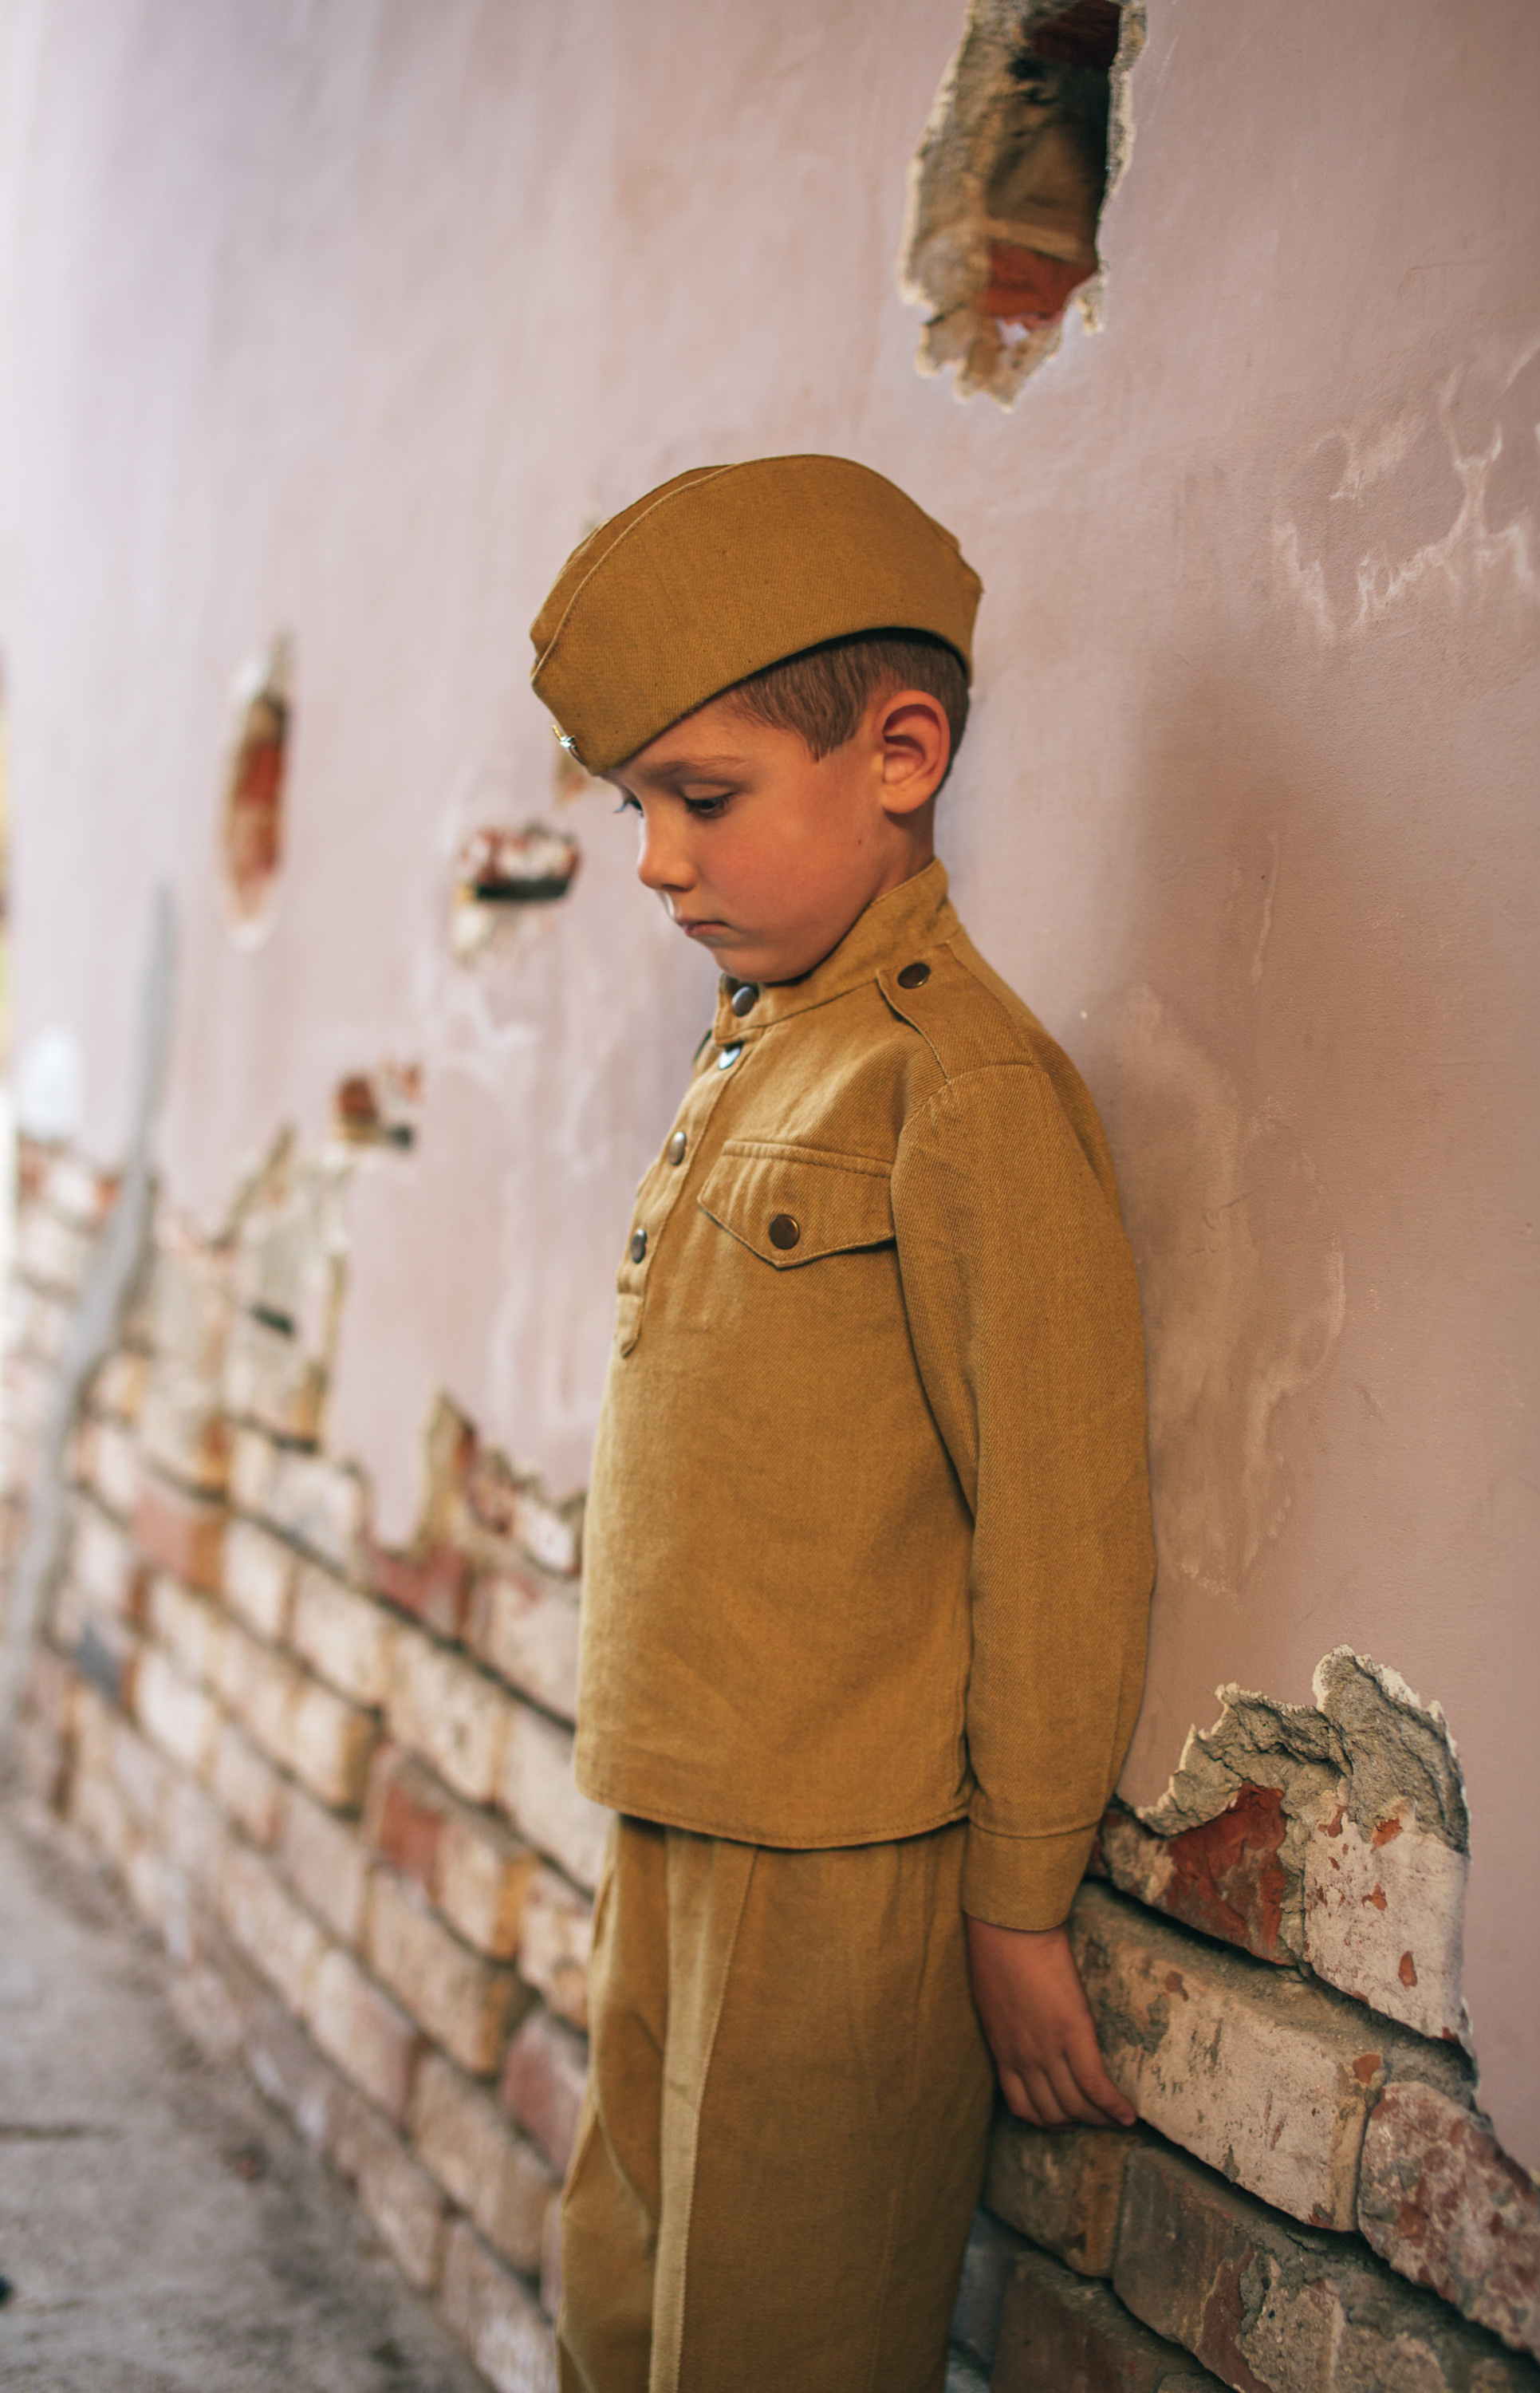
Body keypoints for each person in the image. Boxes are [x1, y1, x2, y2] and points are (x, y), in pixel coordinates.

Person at [528, 455, 1155, 2393]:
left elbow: (1059, 1522)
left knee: (777, 2348)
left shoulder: (957, 1084)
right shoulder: (767, 1041)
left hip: (841, 1880)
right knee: (627, 2307)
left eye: (700, 799)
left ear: (900, 754)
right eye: (639, 805)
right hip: (675, 1813)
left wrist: (1019, 1902)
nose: (655, 860)